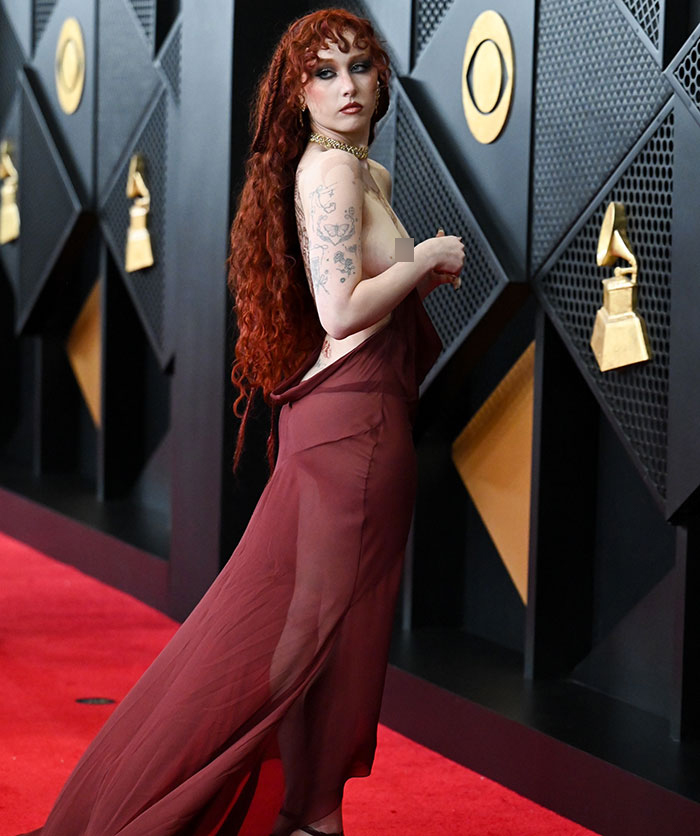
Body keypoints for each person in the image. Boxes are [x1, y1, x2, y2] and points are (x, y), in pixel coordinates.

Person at [22, 8, 464, 836]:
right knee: (324, 635)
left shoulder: (365, 175)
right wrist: (426, 263)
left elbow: (359, 306)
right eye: (324, 73)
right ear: (295, 93)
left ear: (381, 80)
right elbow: (339, 312)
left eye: (361, 68)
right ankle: (306, 816)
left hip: (354, 422)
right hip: (353, 432)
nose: (347, 88)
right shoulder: (330, 175)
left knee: (316, 631)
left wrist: (409, 278)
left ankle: (306, 812)